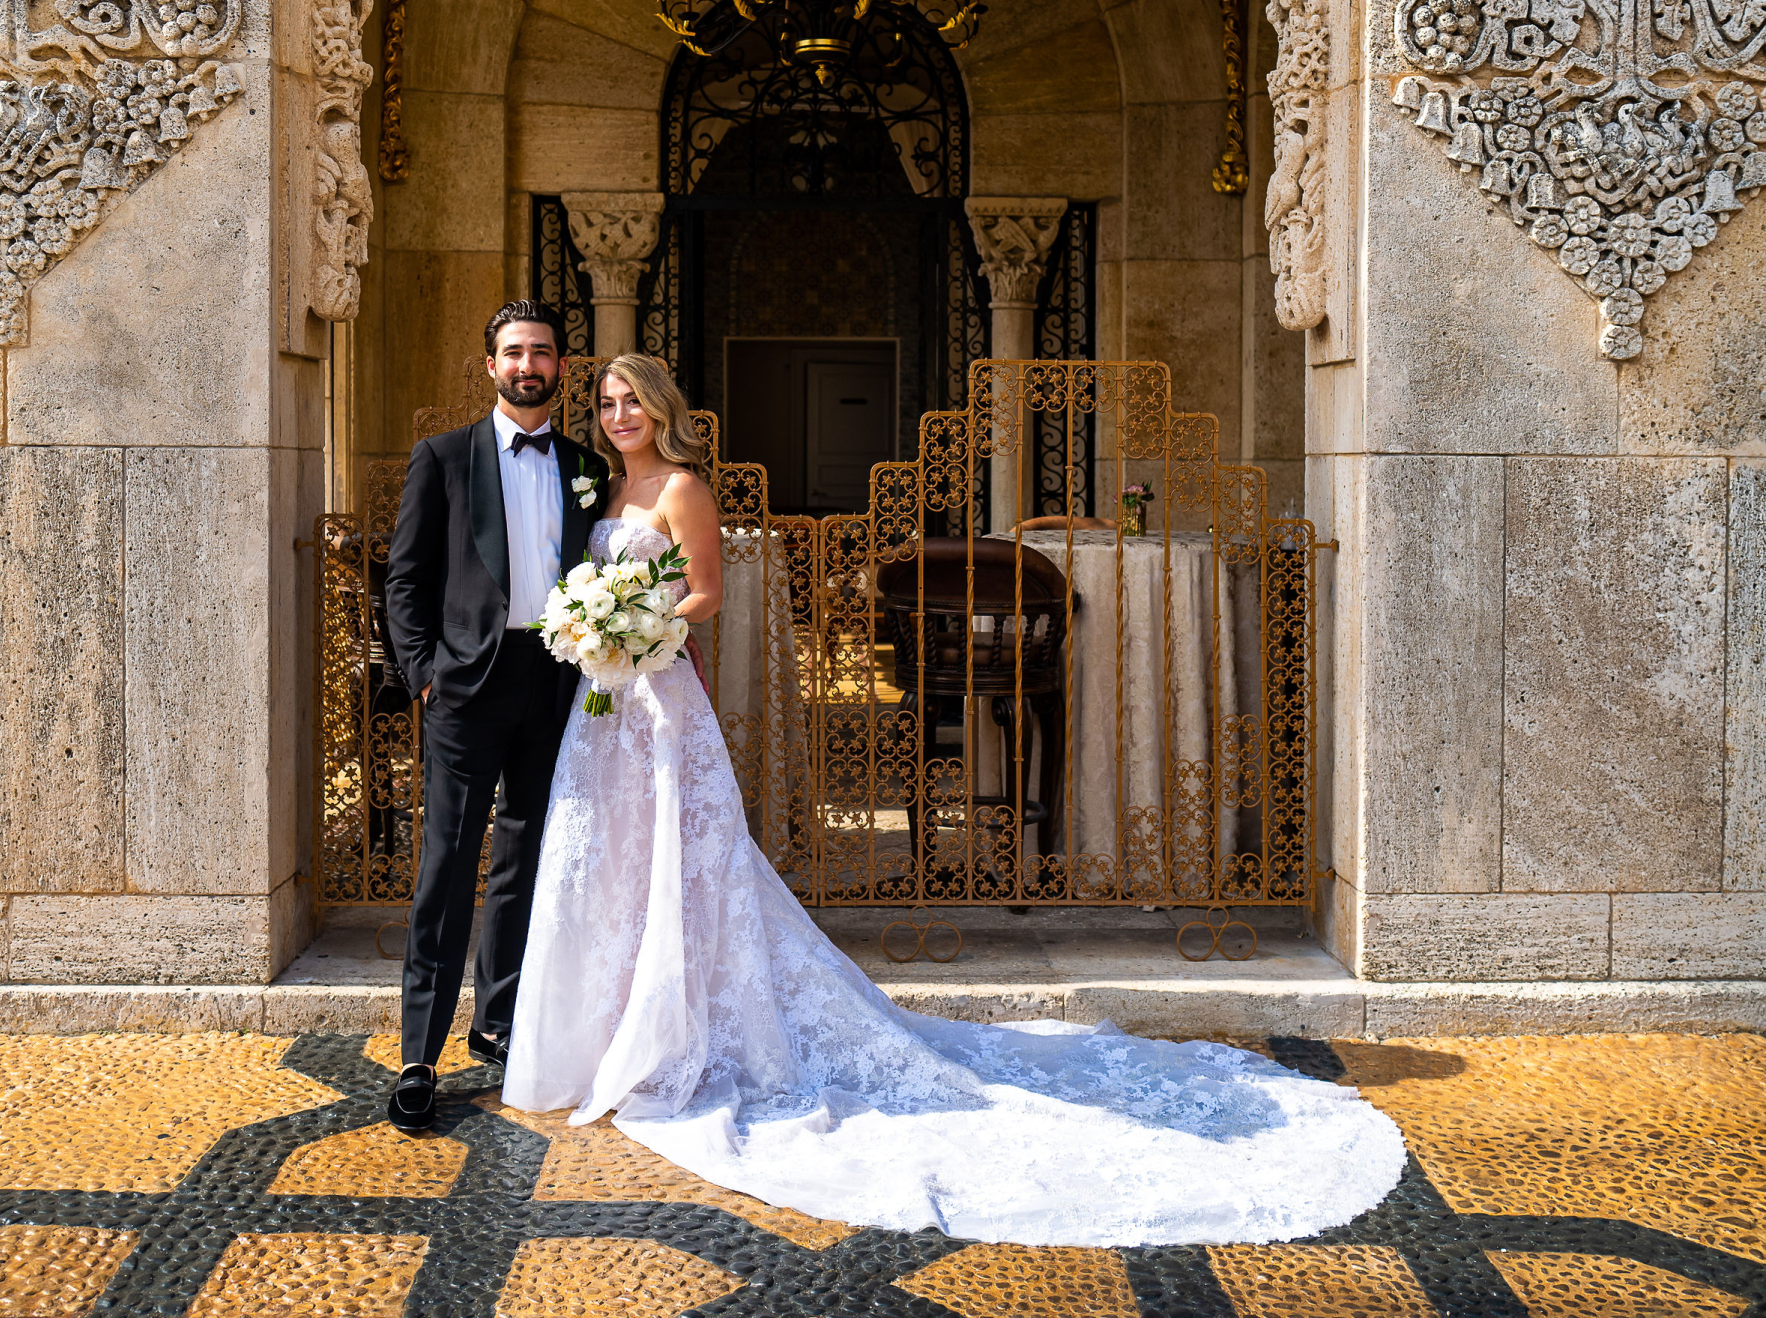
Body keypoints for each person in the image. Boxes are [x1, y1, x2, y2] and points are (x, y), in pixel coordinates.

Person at [502, 356, 1407, 1245]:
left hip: (660, 699)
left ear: (662, 406)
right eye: (610, 402)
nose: (619, 413)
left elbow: (706, 593)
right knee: (606, 865)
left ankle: (678, 1034)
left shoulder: (684, 488)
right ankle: (606, 1030)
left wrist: (642, 619)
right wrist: (596, 626)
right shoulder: (599, 489)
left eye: (633, 401)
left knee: (682, 870)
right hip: (605, 705)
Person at [382, 300, 607, 1134]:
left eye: (541, 353)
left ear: (560, 367)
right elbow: (403, 579)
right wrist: (422, 673)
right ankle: (417, 1054)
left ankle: (499, 1022)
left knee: (527, 855)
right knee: (446, 863)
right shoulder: (442, 459)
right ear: (490, 365)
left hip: (554, 682)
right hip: (466, 687)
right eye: (513, 352)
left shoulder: (585, 464)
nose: (527, 365)